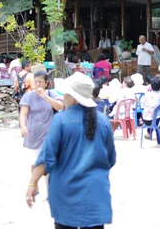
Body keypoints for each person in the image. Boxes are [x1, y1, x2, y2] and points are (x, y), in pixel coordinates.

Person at [25, 72, 116, 229]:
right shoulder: (103, 121)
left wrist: (33, 182)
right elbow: (111, 159)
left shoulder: (61, 120)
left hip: (65, 194)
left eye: (65, 93)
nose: (63, 96)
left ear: (73, 97)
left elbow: (47, 158)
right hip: (95, 193)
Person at [19, 71, 63, 192]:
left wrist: (46, 97)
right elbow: (23, 113)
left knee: (47, 161)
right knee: (35, 161)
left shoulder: (52, 94)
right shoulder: (28, 96)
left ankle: (50, 191)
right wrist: (23, 127)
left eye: (40, 82)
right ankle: (35, 185)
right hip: (33, 133)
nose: (37, 84)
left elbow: (59, 106)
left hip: (49, 134)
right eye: (36, 81)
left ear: (46, 83)